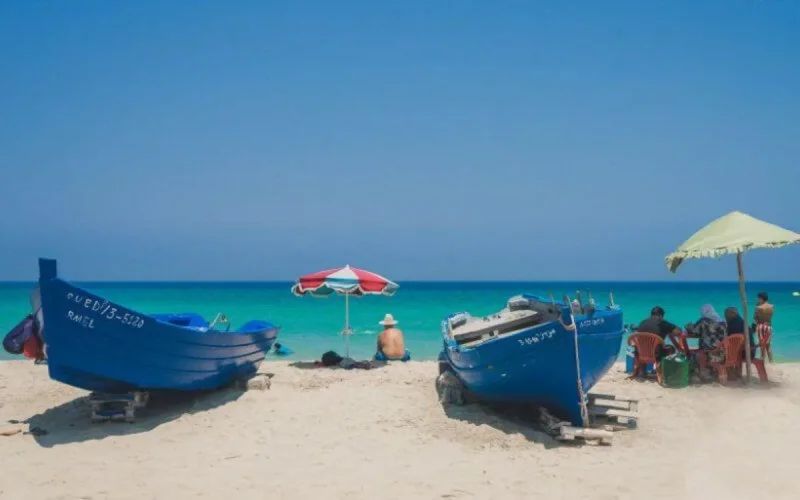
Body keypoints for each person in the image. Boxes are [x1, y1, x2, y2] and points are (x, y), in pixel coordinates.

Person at [685, 304, 728, 379]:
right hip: (722, 352)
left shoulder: (703, 321)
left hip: (708, 352)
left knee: (691, 354)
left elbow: (694, 331)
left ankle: (701, 372)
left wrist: (688, 326)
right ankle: (712, 370)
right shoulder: (723, 322)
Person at [753, 292, 774, 362]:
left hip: (761, 326)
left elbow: (756, 318)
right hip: (769, 326)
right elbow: (770, 317)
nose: (758, 299)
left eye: (759, 298)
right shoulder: (771, 306)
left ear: (761, 298)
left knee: (762, 345)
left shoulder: (758, 307)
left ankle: (762, 360)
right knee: (768, 345)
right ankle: (771, 361)